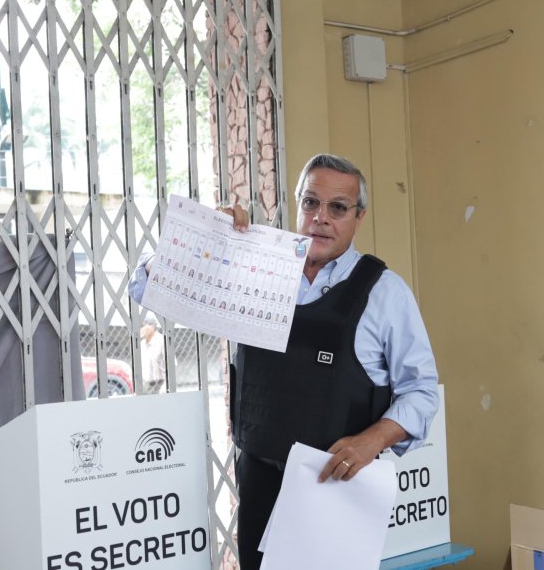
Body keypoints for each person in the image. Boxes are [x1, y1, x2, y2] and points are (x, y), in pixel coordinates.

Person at [128, 153, 439, 569]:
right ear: (297, 205)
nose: (321, 218)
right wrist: (208, 238)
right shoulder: (256, 268)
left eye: (338, 207)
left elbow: (420, 391)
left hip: (336, 485)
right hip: (258, 480)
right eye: (311, 203)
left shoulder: (385, 292)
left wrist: (374, 440)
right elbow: (145, 285)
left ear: (358, 217)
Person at [139, 315, 166, 394]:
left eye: (149, 325)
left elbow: (171, 364)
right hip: (145, 385)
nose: (145, 328)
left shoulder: (161, 340)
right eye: (144, 325)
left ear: (154, 326)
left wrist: (165, 386)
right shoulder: (142, 344)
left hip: (160, 384)